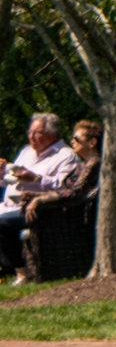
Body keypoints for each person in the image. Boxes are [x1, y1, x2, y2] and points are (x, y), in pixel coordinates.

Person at [15, 119, 102, 280]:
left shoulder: (93, 164)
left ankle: (37, 274)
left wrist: (39, 201)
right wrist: (35, 196)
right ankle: (33, 273)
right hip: (63, 209)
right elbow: (65, 188)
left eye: (76, 139)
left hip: (71, 214)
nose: (72, 142)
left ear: (92, 142)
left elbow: (74, 193)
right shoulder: (83, 164)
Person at [1, 112, 80, 286]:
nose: (31, 136)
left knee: (1, 223)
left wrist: (36, 178)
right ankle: (4, 268)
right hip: (7, 205)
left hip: (35, 208)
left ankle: (21, 272)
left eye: (37, 133)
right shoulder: (26, 152)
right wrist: (1, 174)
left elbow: (65, 187)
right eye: (30, 132)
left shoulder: (65, 155)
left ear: (52, 135)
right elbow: (9, 180)